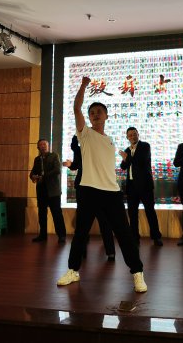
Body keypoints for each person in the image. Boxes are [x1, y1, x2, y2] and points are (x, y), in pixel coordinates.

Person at [57, 76, 147, 293]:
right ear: (89, 117)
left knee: (124, 234)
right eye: (92, 112)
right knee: (81, 233)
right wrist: (83, 85)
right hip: (88, 190)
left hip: (112, 192)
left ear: (106, 116)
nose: (96, 114)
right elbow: (76, 107)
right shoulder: (85, 134)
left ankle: (137, 273)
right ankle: (73, 270)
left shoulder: (110, 141)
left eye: (100, 111)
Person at [64, 134, 115, 261]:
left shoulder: (100, 147)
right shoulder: (80, 150)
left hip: (99, 187)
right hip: (83, 187)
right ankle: (82, 250)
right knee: (83, 221)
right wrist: (70, 164)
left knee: (103, 220)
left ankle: (110, 251)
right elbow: (76, 163)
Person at [119, 127, 163, 246]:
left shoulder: (145, 146)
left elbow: (141, 161)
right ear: (127, 137)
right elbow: (123, 166)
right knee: (132, 214)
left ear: (138, 134)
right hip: (131, 186)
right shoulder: (127, 150)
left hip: (145, 186)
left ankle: (156, 237)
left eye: (134, 134)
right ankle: (134, 238)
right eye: (130, 135)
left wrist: (127, 158)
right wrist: (124, 159)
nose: (133, 136)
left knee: (150, 212)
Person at [29, 139, 67, 244]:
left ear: (48, 146)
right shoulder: (37, 159)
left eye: (45, 144)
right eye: (41, 144)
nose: (43, 146)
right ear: (38, 147)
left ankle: (61, 235)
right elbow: (32, 172)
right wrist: (32, 176)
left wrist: (43, 176)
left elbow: (57, 170)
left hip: (53, 190)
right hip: (41, 190)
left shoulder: (54, 156)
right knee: (42, 213)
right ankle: (42, 235)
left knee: (57, 213)